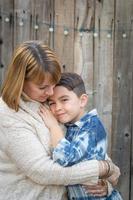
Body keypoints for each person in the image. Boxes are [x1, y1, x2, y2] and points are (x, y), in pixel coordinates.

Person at [0, 41, 120, 200]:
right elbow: (43, 171)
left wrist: (108, 177)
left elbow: (84, 145)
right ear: (20, 81)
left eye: (53, 84)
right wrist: (99, 168)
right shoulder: (8, 115)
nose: (50, 92)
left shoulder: (51, 103)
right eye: (43, 87)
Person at [39, 72, 123, 200]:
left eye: (64, 100)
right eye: (52, 103)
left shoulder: (92, 127)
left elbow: (66, 158)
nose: (57, 108)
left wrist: (53, 127)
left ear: (82, 100)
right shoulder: (69, 127)